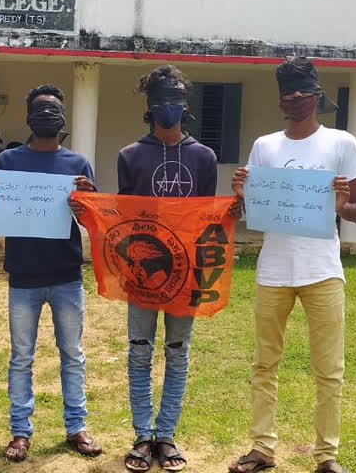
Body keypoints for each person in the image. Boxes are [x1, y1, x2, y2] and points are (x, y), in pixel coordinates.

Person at [228, 57, 356, 473]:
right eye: (287, 96)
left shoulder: (342, 143)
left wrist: (343, 207)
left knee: (329, 368)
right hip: (273, 269)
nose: (295, 102)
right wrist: (240, 193)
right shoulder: (265, 145)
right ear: (280, 100)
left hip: (322, 270)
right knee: (264, 363)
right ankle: (262, 448)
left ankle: (327, 456)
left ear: (316, 96)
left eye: (303, 95)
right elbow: (249, 209)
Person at [0, 84, 101, 462]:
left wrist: (89, 199)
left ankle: (76, 427)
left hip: (66, 274)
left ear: (63, 116)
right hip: (24, 276)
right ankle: (19, 431)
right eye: (41, 108)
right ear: (29, 116)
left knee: (73, 354)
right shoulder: (8, 162)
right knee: (21, 356)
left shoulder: (77, 164)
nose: (48, 114)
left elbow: (90, 221)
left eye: (54, 108)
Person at [116, 65, 217, 472]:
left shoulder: (204, 157)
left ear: (185, 105)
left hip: (185, 275)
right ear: (148, 107)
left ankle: (168, 436)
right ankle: (143, 436)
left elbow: (208, 217)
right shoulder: (130, 155)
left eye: (175, 99)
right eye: (160, 101)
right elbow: (121, 219)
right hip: (142, 275)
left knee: (178, 353)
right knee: (140, 353)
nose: (168, 107)